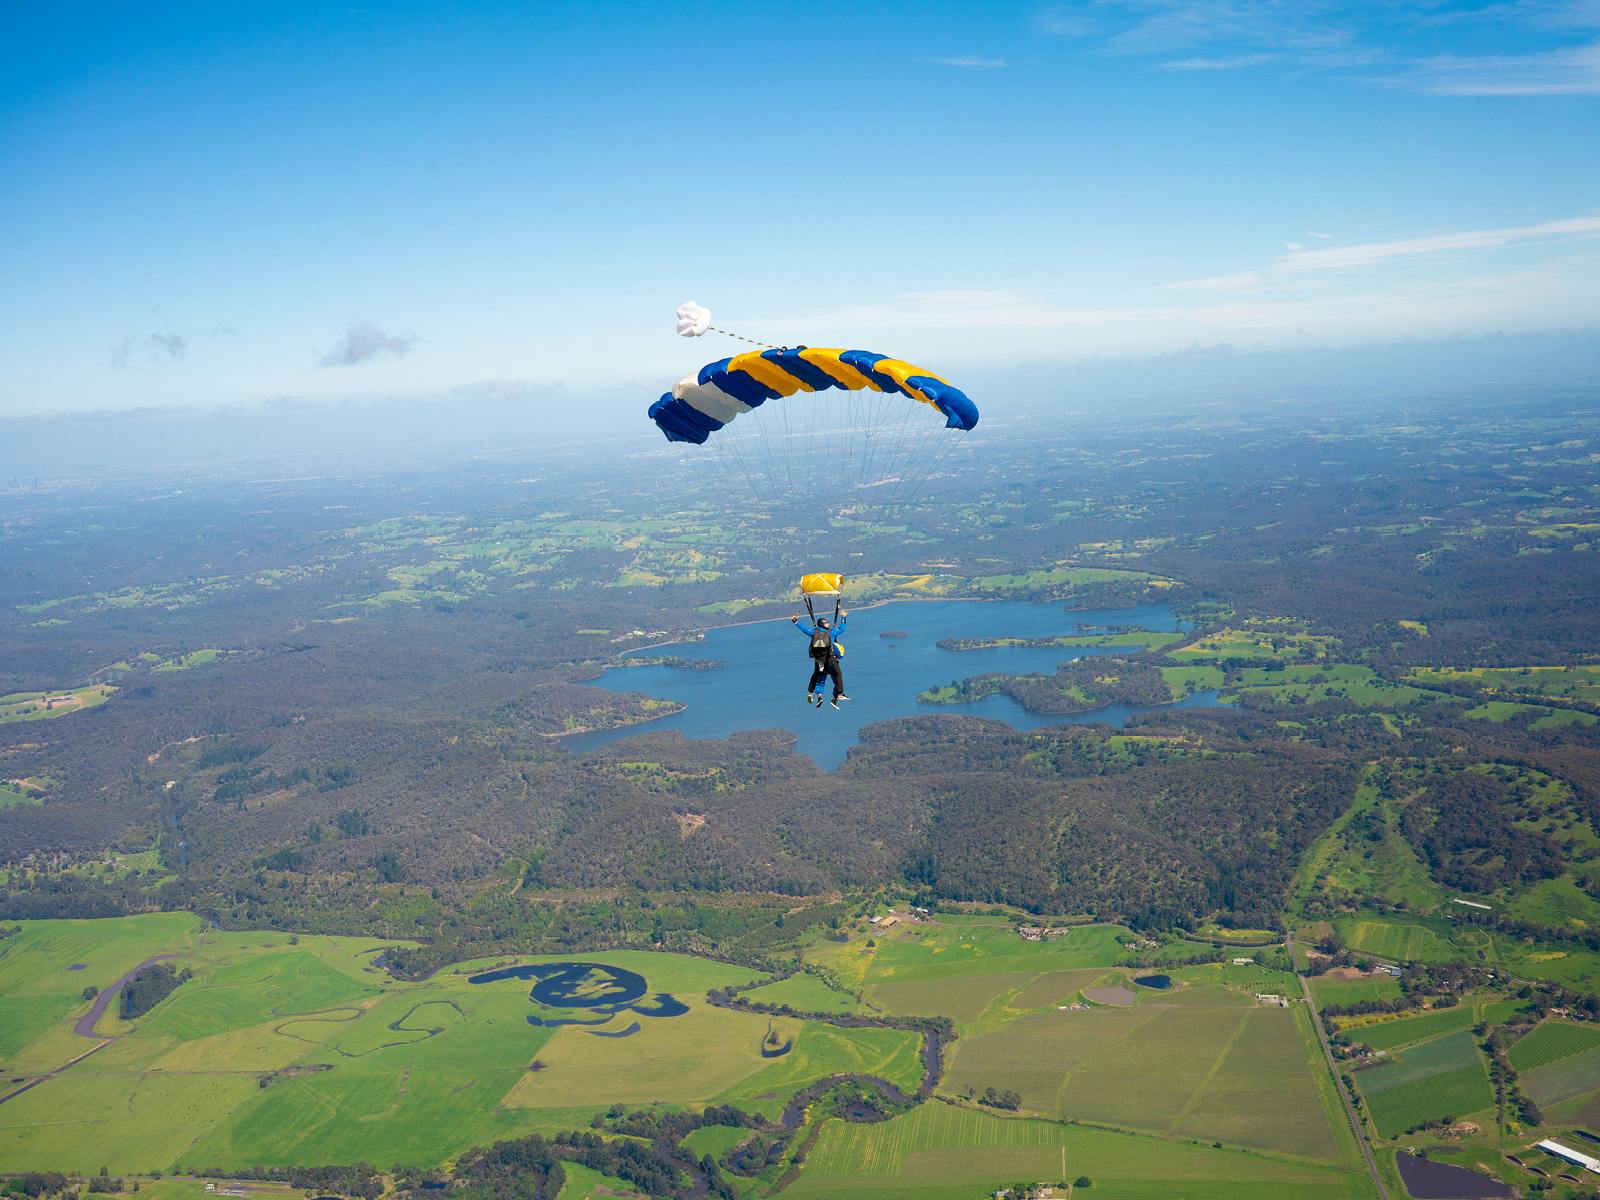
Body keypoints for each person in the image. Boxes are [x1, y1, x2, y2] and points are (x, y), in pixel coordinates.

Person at [791, 610, 849, 708]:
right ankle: (838, 694)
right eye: (826, 623)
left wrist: (796, 622)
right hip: (830, 659)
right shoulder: (831, 633)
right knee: (837, 675)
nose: (828, 624)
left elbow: (804, 629)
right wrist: (843, 618)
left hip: (820, 661)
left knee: (821, 678)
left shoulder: (814, 633)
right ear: (823, 624)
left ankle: (819, 696)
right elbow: (842, 629)